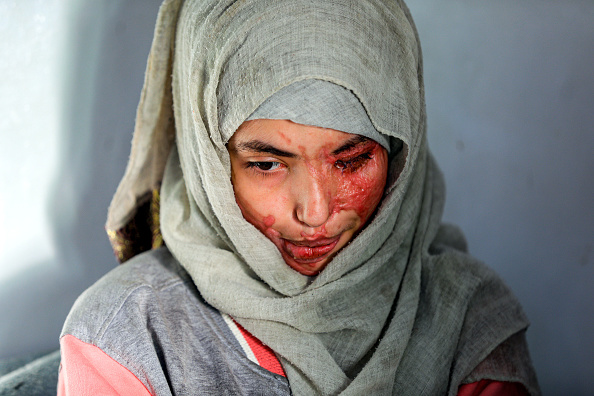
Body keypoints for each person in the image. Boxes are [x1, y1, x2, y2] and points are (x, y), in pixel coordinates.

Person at [57, 0, 540, 394]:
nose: (315, 212)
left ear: (400, 155)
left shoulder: (468, 323)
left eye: (352, 161)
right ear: (208, 156)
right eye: (266, 164)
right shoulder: (128, 338)